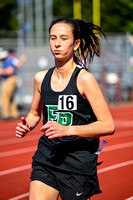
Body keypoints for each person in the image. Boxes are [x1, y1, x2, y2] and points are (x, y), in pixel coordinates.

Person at [16, 17, 115, 200]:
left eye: (63, 38)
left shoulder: (85, 79)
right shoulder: (40, 78)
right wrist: (27, 125)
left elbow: (108, 125)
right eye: (53, 38)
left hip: (78, 165)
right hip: (47, 159)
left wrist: (67, 129)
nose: (57, 44)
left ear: (76, 44)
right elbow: (34, 113)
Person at [0, 49, 26, 119]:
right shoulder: (10, 60)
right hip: (12, 80)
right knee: (11, 98)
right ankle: (13, 113)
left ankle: (6, 114)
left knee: (5, 97)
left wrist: (1, 71)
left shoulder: (8, 60)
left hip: (9, 80)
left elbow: (10, 71)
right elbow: (17, 65)